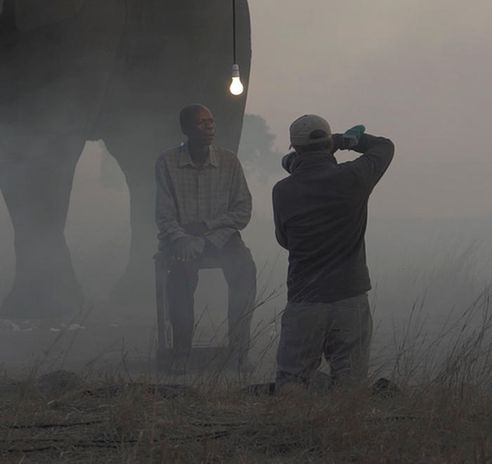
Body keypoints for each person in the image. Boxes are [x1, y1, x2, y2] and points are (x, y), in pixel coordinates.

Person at [272, 115, 394, 390]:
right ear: (328, 144)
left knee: (292, 382)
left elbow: (284, 239)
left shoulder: (282, 191)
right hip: (350, 296)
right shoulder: (353, 177)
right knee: (350, 386)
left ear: (294, 147)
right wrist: (344, 141)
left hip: (305, 298)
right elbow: (385, 147)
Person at [154, 104, 257, 373]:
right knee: (179, 279)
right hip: (181, 240)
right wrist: (185, 239)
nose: (209, 127)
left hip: (223, 239)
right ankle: (181, 352)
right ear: (186, 129)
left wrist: (207, 232)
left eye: (211, 122)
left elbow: (242, 211)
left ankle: (239, 352)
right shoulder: (167, 162)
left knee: (245, 271)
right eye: (201, 123)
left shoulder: (229, 161)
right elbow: (164, 216)